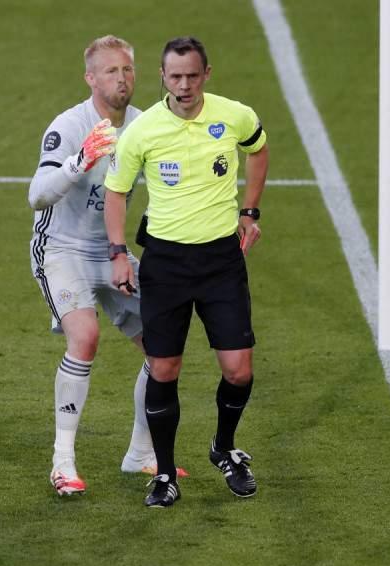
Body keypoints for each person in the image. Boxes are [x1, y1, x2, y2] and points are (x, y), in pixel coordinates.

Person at [104, 36, 269, 508]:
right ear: (163, 77)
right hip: (166, 264)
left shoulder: (233, 114)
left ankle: (223, 448)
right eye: (175, 76)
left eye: (192, 75)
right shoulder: (142, 131)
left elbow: (258, 149)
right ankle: (163, 474)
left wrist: (249, 211)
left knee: (239, 370)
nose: (184, 85)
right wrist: (119, 253)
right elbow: (116, 192)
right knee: (164, 367)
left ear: (206, 75)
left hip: (221, 261)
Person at [30, 35, 172, 496]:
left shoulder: (146, 124)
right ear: (91, 79)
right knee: (85, 336)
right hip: (61, 249)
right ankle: (63, 462)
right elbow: (37, 195)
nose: (122, 78)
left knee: (163, 348)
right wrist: (79, 161)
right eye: (111, 71)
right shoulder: (71, 125)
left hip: (112, 251)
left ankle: (141, 454)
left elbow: (167, 188)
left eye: (128, 69)